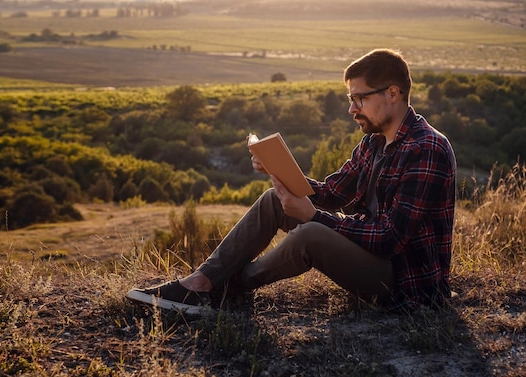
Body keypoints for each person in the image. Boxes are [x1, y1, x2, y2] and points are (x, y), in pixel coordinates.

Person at [126, 48, 457, 315]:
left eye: (360, 99)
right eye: (350, 99)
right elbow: (330, 193)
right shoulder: (375, 141)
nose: (352, 109)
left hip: (406, 285)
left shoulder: (426, 148)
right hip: (373, 259)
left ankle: (228, 286)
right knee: (275, 199)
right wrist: (279, 170)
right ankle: (203, 281)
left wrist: (313, 216)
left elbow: (389, 239)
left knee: (311, 234)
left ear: (393, 93)